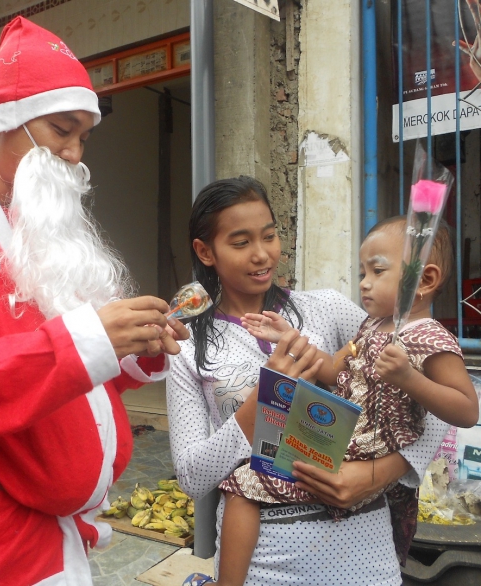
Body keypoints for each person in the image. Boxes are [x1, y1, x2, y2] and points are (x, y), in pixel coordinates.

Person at [0, 16, 188, 586]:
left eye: (84, 136)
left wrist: (130, 350)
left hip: (53, 538)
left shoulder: (37, 229)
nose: (76, 154)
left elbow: (68, 366)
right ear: (7, 123)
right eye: (61, 131)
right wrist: (85, 343)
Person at [166, 176, 456, 586]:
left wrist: (377, 473)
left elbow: (434, 399)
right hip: (260, 560)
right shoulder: (192, 350)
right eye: (240, 242)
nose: (262, 254)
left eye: (269, 236)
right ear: (204, 251)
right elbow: (193, 477)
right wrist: (262, 402)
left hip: (363, 548)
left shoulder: (326, 310)